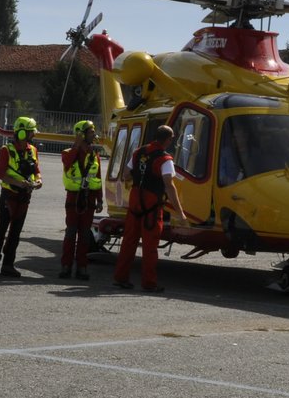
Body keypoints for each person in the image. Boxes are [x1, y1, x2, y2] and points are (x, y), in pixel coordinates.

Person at [113, 124, 192, 293]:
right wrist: (180, 213)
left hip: (135, 204)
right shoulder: (165, 159)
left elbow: (126, 174)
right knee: (150, 247)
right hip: (151, 208)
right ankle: (149, 283)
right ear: (169, 140)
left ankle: (121, 278)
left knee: (128, 242)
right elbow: (169, 187)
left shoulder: (138, 152)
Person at [0, 115, 43, 278]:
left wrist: (38, 181)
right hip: (9, 195)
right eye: (31, 132)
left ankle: (8, 264)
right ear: (21, 133)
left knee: (15, 232)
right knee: (1, 230)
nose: (33, 135)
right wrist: (18, 183)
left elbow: (37, 170)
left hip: (24, 196)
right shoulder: (6, 150)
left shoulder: (33, 150)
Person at [59, 119, 103, 280]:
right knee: (71, 233)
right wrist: (76, 146)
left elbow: (97, 178)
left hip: (89, 200)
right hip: (74, 198)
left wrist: (100, 200)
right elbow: (68, 163)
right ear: (81, 134)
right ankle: (66, 266)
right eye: (91, 132)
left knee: (85, 235)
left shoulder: (94, 154)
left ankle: (82, 267)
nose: (94, 134)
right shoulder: (68, 153)